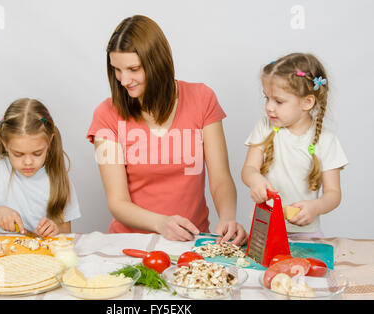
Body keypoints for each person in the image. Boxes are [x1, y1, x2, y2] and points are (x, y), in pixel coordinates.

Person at [87, 15, 247, 244]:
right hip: (130, 244)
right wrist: (161, 223)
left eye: (133, 69)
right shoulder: (106, 114)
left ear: (157, 63)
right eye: (117, 70)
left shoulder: (203, 99)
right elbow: (117, 202)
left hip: (192, 240)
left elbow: (221, 178)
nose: (123, 80)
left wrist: (228, 218)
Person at [241, 53, 348, 238]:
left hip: (306, 233)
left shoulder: (325, 140)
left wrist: (316, 207)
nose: (269, 107)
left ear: (307, 102)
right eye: (266, 98)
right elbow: (249, 169)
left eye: (279, 101)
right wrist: (255, 180)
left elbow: (333, 193)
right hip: (263, 229)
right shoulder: (264, 127)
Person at [0, 98, 81, 237]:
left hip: (40, 256)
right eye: (18, 154)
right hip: (2, 253)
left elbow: (66, 232)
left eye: (37, 153)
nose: (28, 162)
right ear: (5, 144)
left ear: (50, 142)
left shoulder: (58, 177)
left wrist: (54, 229)